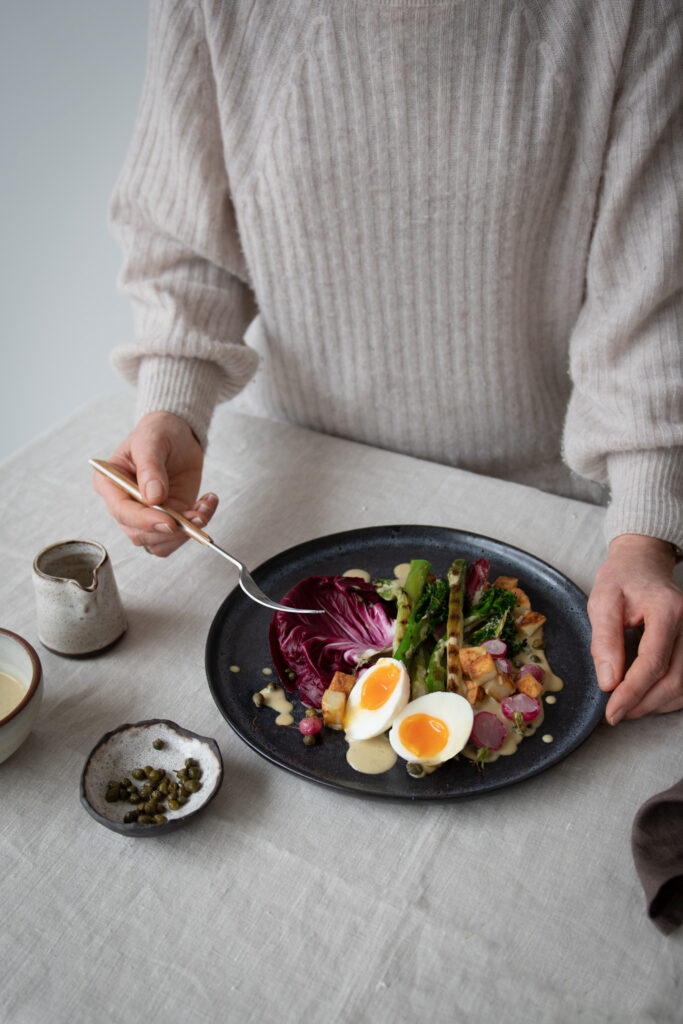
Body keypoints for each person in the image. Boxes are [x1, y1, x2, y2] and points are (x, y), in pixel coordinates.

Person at [94, 0, 682, 724]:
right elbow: (183, 250)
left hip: (539, 501)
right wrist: (172, 407)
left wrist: (646, 536)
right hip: (303, 482)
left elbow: (654, 295)